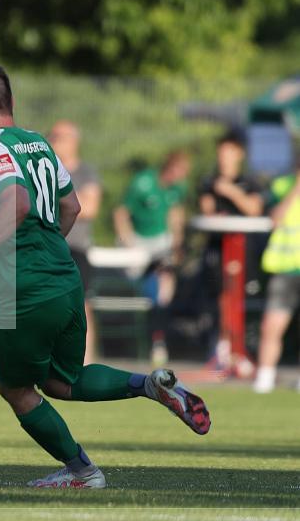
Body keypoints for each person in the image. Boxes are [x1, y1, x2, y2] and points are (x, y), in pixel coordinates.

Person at [0, 65, 210, 489]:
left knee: (16, 390)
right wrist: (48, 251)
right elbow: (72, 207)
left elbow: (17, 202)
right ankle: (149, 385)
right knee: (63, 381)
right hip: (65, 278)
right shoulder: (39, 144)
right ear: (11, 102)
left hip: (26, 289)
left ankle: (83, 472)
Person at [114, 150, 191, 364]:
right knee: (144, 285)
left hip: (160, 242)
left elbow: (175, 215)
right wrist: (129, 243)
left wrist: (177, 243)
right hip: (138, 241)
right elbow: (121, 213)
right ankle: (143, 333)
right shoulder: (143, 182)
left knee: (165, 283)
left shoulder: (178, 187)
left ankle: (159, 337)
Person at [197, 130, 265, 373]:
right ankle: (223, 348)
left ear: (239, 154)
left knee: (241, 297)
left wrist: (231, 191)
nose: (224, 157)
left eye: (229, 151)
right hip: (218, 249)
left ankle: (242, 350)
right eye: (221, 151)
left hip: (243, 249)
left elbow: (255, 209)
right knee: (221, 297)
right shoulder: (209, 182)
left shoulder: (250, 182)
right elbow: (207, 211)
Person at [48, 120, 101, 363]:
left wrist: (55, 197)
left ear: (74, 142)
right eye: (52, 136)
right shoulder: (42, 171)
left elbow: (89, 207)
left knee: (80, 305)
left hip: (74, 249)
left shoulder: (85, 172)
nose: (53, 142)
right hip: (47, 249)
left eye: (59, 137)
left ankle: (84, 362)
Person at [253, 166, 300, 393]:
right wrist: (296, 189)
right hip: (285, 268)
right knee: (272, 325)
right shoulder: (282, 186)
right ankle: (265, 378)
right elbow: (275, 217)